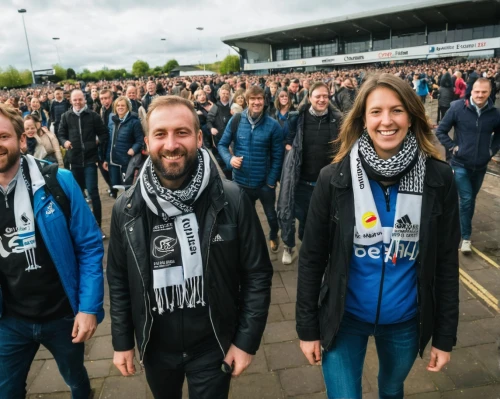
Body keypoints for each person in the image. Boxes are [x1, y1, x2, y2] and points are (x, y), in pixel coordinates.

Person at [296, 73, 460, 399]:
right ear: (363, 119)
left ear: (412, 117)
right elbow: (312, 258)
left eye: (397, 110)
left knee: (390, 388)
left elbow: (445, 263)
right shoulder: (334, 178)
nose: (387, 121)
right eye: (376, 112)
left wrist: (444, 335)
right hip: (344, 319)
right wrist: (307, 328)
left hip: (404, 321)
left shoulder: (439, 178)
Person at [107, 96, 273, 399]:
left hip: (213, 344)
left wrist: (246, 341)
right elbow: (118, 279)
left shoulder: (232, 200)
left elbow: (257, 274)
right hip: (156, 346)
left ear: (198, 138)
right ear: (146, 142)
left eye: (181, 132)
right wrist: (122, 341)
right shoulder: (127, 207)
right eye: (160, 134)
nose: (171, 144)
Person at [0, 103, 104, 399]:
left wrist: (88, 308)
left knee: (75, 380)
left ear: (22, 140)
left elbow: (90, 247)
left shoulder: (59, 181)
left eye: (3, 136)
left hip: (62, 316)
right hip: (10, 319)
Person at [277, 82, 341, 265]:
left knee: (320, 219)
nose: (322, 100)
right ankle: (290, 245)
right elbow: (286, 139)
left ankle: (311, 249)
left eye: (325, 96)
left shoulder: (337, 119)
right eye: (318, 96)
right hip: (302, 181)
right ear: (310, 97)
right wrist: (289, 148)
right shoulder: (297, 117)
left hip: (325, 182)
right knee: (296, 212)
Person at [436, 78, 500, 252]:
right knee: (466, 199)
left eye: (484, 92)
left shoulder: (495, 113)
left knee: (469, 200)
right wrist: (453, 148)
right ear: (471, 91)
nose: (480, 95)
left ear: (489, 92)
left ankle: (458, 226)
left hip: (480, 166)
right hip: (460, 163)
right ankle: (465, 237)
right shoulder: (457, 107)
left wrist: (490, 151)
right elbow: (440, 131)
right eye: (477, 91)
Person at [218, 85, 284, 253]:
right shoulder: (237, 120)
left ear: (264, 100)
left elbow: (278, 156)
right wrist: (230, 159)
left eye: (259, 99)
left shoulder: (273, 125)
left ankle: (273, 234)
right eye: (253, 99)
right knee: (244, 217)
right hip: (241, 182)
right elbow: (222, 145)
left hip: (264, 184)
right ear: (247, 100)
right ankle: (249, 245)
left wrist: (270, 182)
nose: (256, 102)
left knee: (271, 216)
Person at [58, 90, 109, 235]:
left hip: (90, 160)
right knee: (77, 194)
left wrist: (97, 141)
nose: (77, 102)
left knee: (93, 192)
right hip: (74, 161)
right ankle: (81, 228)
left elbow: (104, 133)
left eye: (80, 99)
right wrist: (65, 142)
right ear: (71, 101)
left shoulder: (93, 116)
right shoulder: (66, 116)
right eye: (75, 100)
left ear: (85, 100)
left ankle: (98, 226)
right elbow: (60, 134)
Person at [103, 96, 144, 188]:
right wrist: (106, 159)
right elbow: (110, 141)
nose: (120, 107)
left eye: (123, 105)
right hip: (113, 161)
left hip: (126, 161)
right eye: (118, 105)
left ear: (127, 107)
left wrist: (133, 149)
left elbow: (140, 140)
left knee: (127, 187)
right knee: (116, 186)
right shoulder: (112, 121)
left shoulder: (134, 122)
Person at [207, 84, 232, 180]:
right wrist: (211, 128)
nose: (225, 95)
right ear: (220, 93)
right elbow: (209, 120)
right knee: (222, 160)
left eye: (227, 93)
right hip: (219, 137)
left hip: (230, 137)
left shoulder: (232, 106)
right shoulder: (215, 106)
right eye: (223, 93)